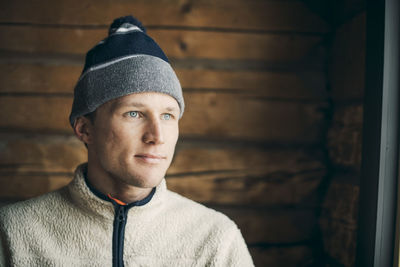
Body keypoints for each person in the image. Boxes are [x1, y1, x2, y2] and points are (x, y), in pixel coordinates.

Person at [0, 15, 254, 266]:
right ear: (85, 129)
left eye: (167, 115)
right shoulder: (13, 232)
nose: (157, 136)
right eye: (134, 113)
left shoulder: (216, 239)